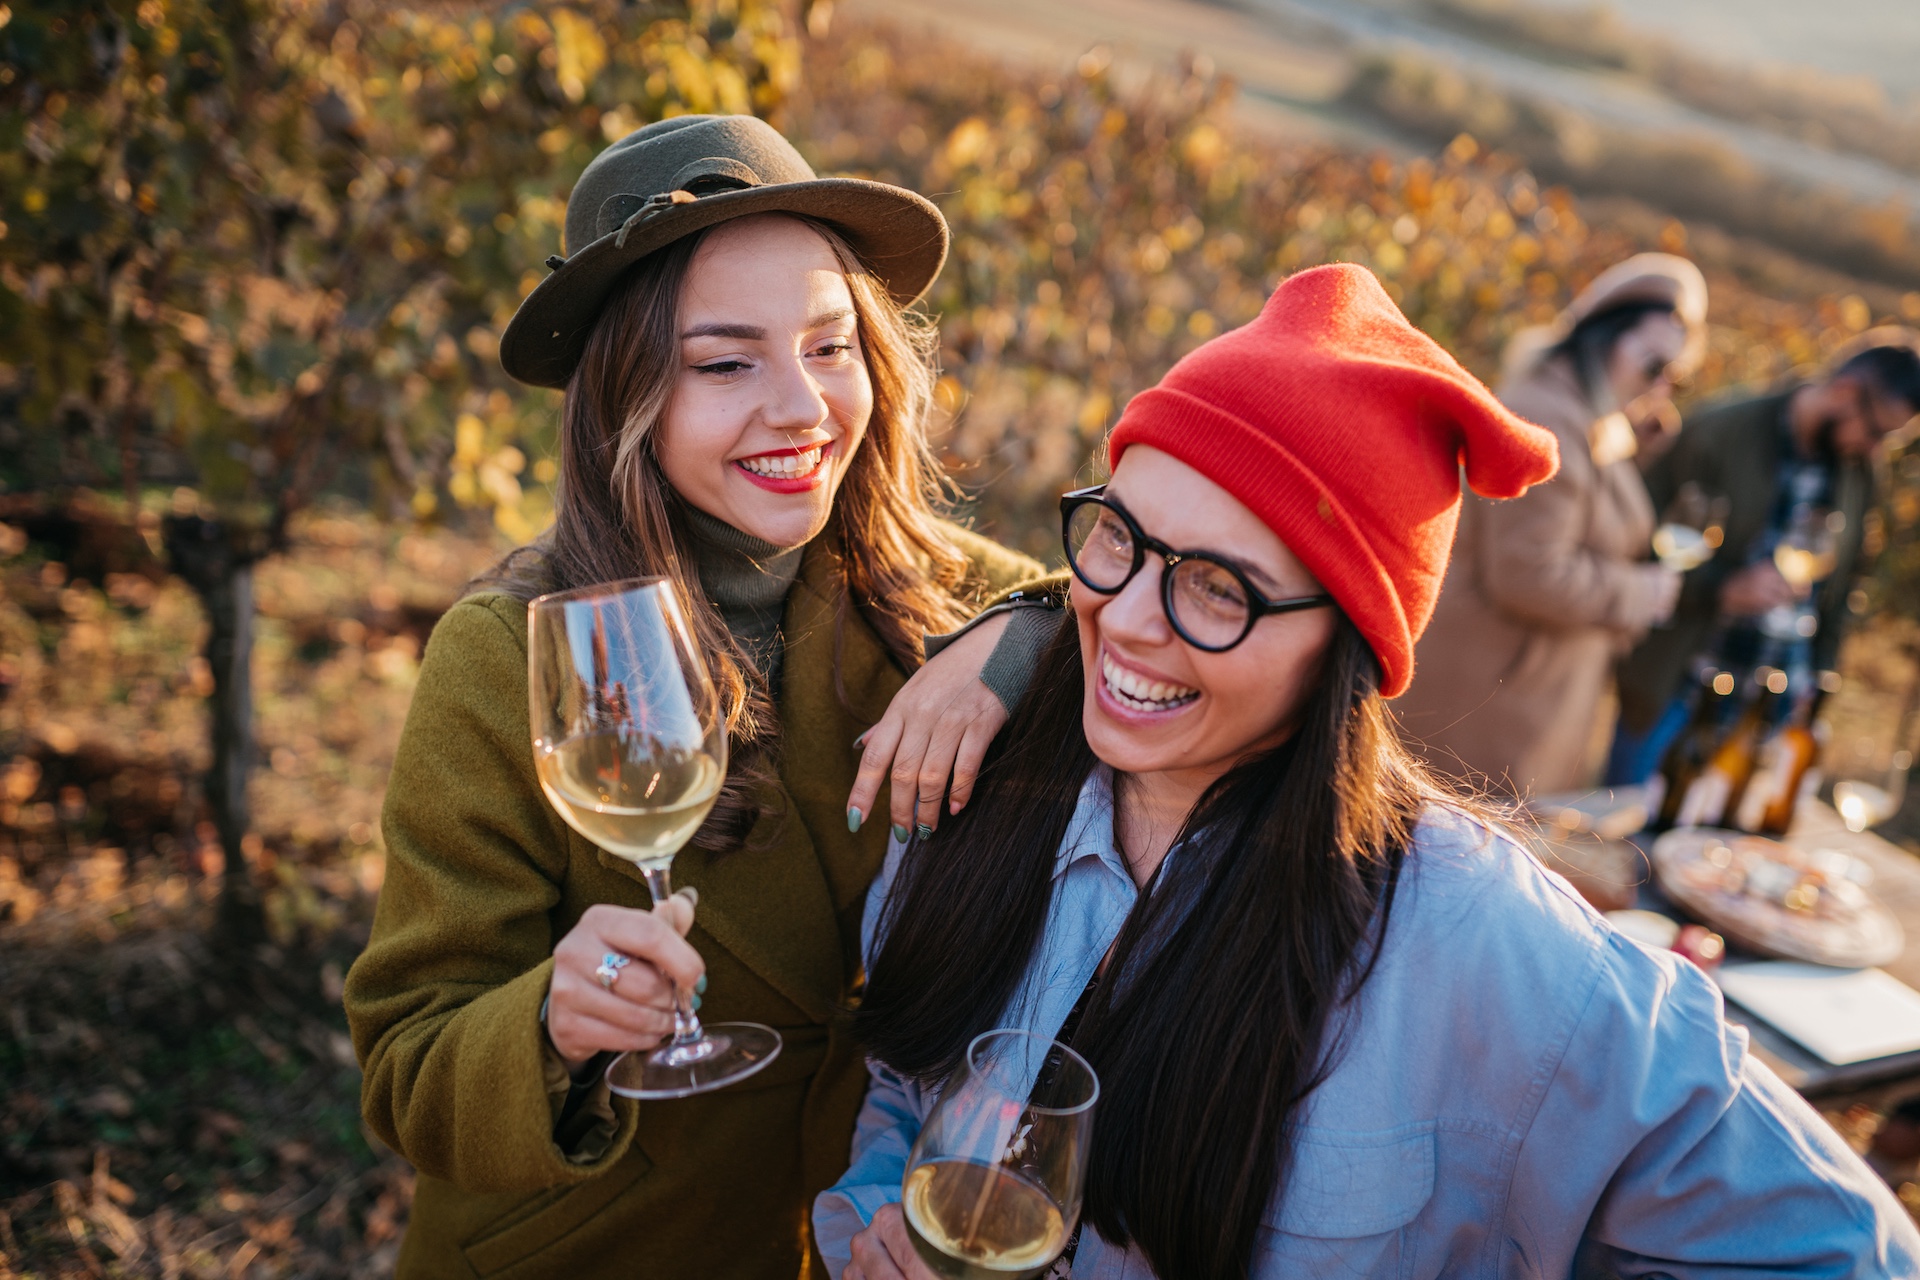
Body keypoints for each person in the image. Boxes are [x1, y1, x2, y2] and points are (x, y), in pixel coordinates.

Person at [814, 265, 1919, 1279]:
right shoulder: (980, 773)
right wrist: (877, 1224)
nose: (1130, 620)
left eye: (1217, 587)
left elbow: (1843, 1253)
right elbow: (904, 1092)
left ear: (1347, 646)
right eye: (1119, 539)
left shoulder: (1472, 935)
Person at [344, 114, 1056, 1278]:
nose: (801, 406)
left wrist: (1012, 642)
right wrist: (550, 1023)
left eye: (830, 348)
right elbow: (407, 1068)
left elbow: (1104, 594)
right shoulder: (505, 650)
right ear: (624, 394)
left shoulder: (930, 587)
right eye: (726, 362)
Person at [1394, 254, 1703, 796]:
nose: (1660, 387)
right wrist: (1641, 592)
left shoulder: (1587, 418)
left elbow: (1579, 518)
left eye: (1672, 377)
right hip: (1491, 705)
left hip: (1521, 692)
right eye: (1654, 366)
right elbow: (1528, 571)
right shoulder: (1548, 418)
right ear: (1603, 337)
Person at [1610, 331, 1920, 783]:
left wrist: (1817, 684)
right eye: (1878, 431)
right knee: (1623, 842)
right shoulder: (1717, 432)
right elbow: (1636, 545)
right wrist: (1723, 589)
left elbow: (1843, 588)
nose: (1876, 449)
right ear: (1846, 391)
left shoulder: (1858, 472)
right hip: (1678, 689)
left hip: (1770, 705)